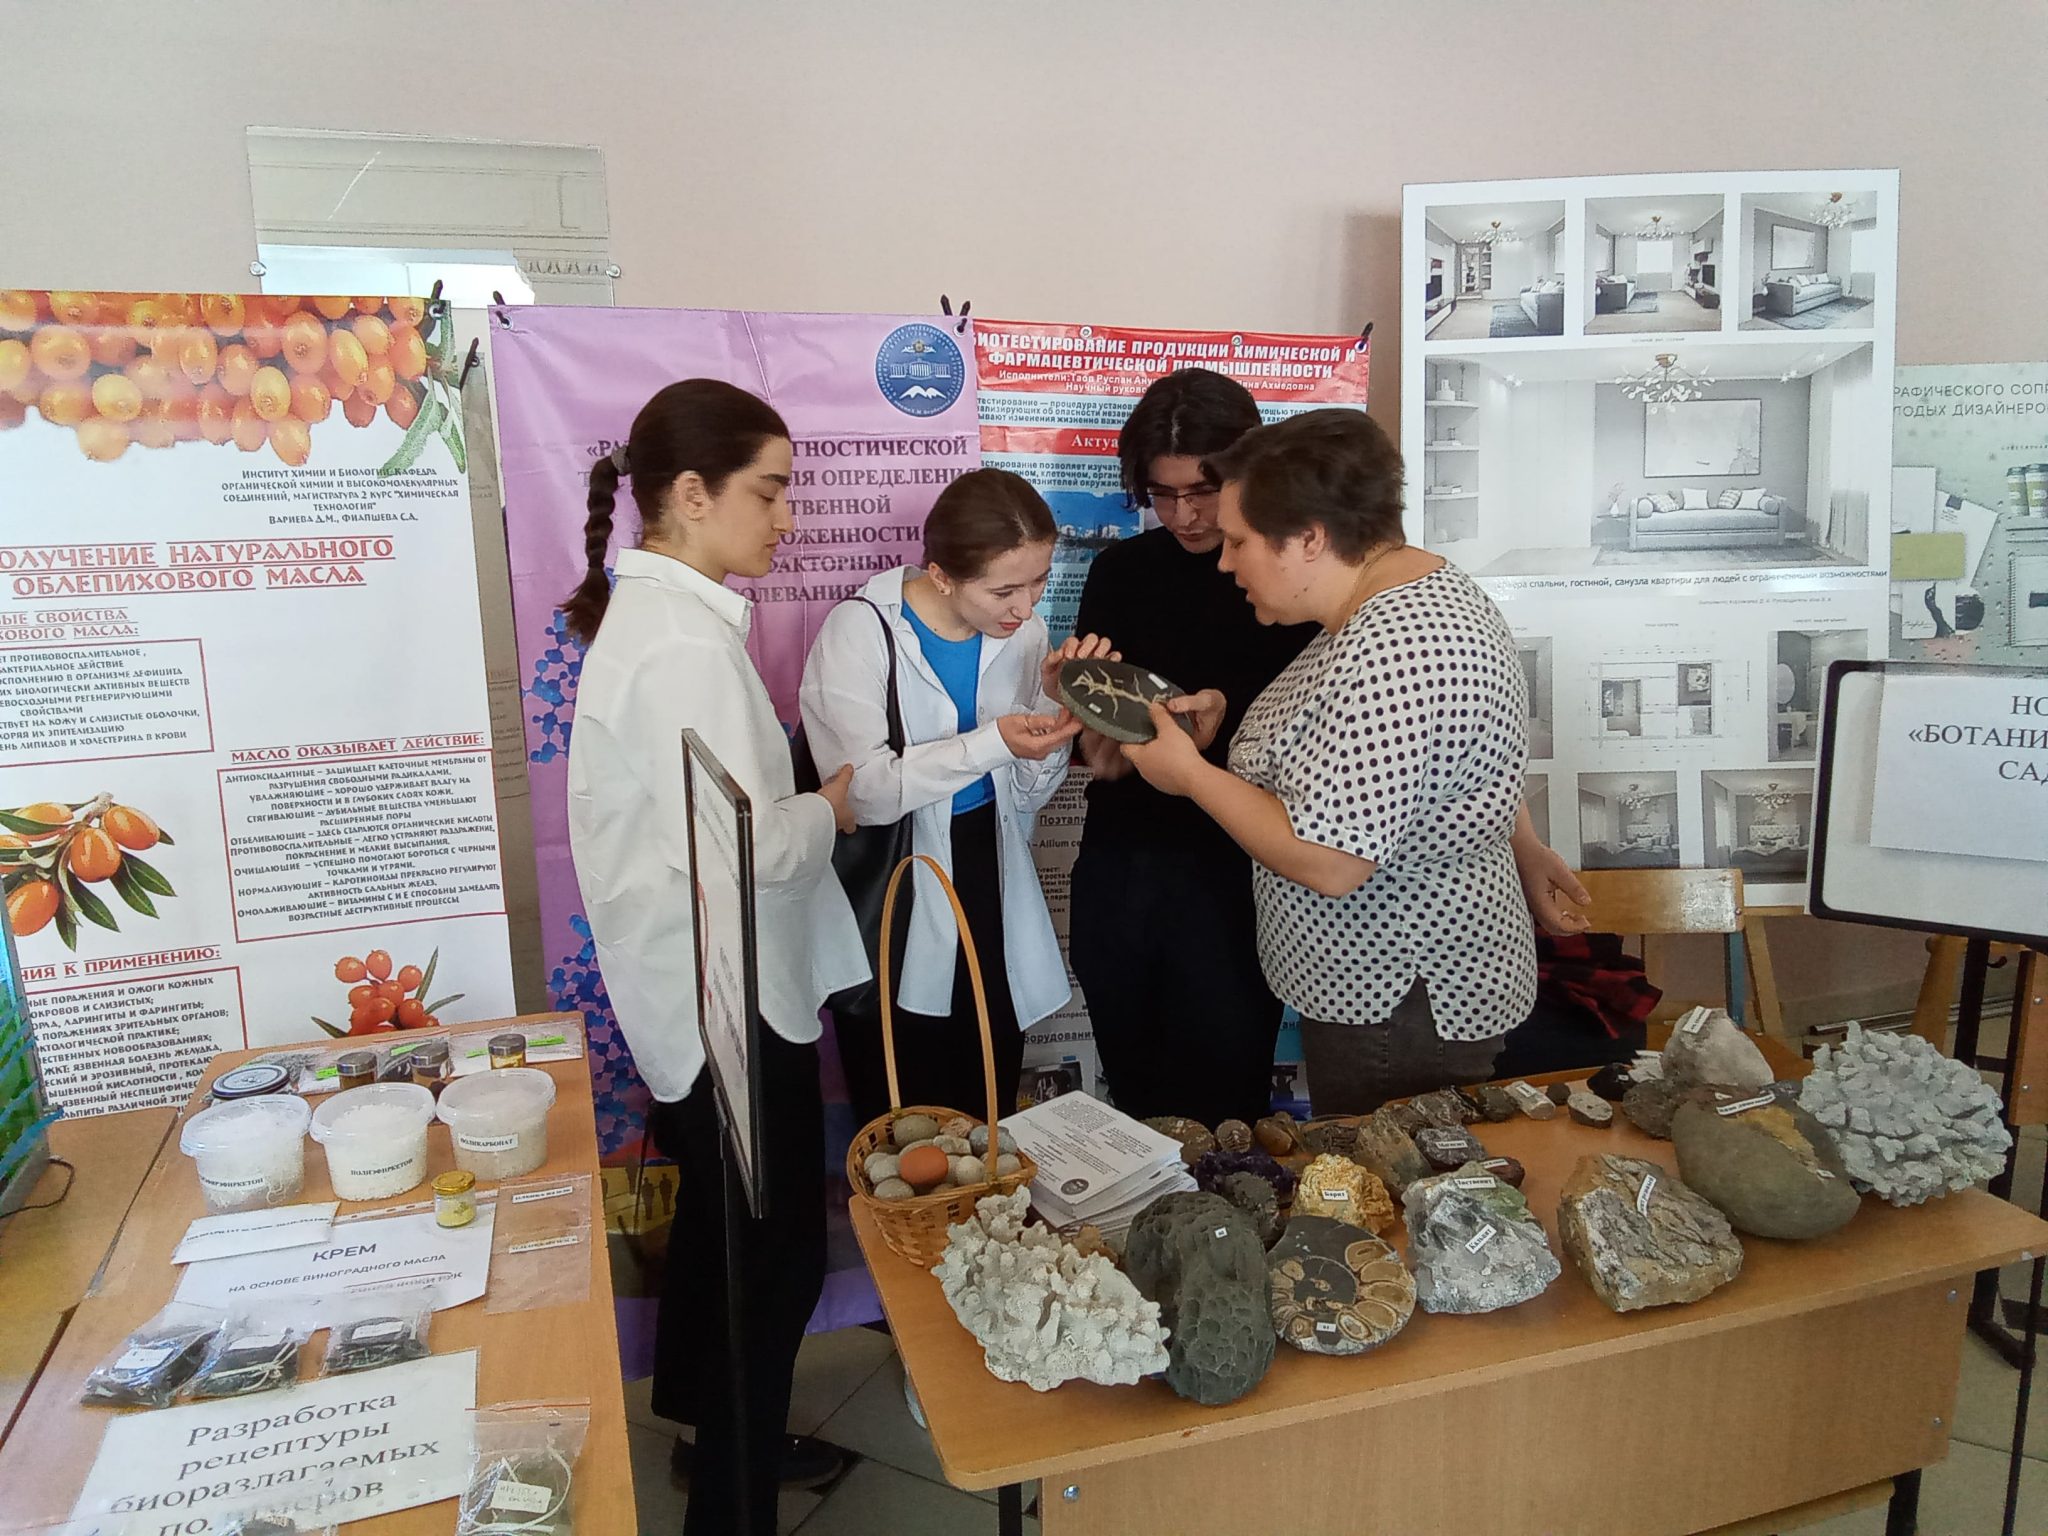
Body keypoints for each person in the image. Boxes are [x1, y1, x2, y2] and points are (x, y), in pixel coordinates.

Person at [563, 379, 863, 1534]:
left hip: (698, 996)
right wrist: (829, 809)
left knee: (722, 1237)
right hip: (723, 1010)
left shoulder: (665, 625)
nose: (786, 518)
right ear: (690, 494)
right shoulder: (681, 647)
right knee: (768, 1270)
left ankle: (706, 1432)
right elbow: (749, 852)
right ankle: (729, 1507)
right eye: (768, 491)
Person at [1121, 407, 1590, 1113]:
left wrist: (1190, 775)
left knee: (1398, 1174)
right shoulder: (1410, 593)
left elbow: (1331, 860)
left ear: (1309, 538)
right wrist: (1521, 841)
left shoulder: (1395, 646)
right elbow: (1433, 762)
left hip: (1399, 995)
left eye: (1240, 541)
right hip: (1394, 982)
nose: (1224, 560)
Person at [1065, 369, 1318, 1126]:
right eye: (1161, 493)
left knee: (1225, 1104)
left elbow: (1319, 747)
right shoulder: (1120, 571)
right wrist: (1084, 720)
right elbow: (1101, 745)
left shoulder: (1292, 579)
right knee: (1133, 1096)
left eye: (1202, 491)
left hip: (1238, 869)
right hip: (1124, 863)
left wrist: (1221, 728)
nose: (1183, 514)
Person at [799, 467, 1086, 1129]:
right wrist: (992, 743)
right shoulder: (861, 630)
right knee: (902, 1098)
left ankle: (991, 1194)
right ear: (941, 575)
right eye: (1004, 590)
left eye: (1039, 582)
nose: (1025, 607)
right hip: (893, 879)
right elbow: (863, 794)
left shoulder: (1025, 635)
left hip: (988, 867)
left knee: (986, 1075)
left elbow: (1027, 797)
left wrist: (1056, 713)